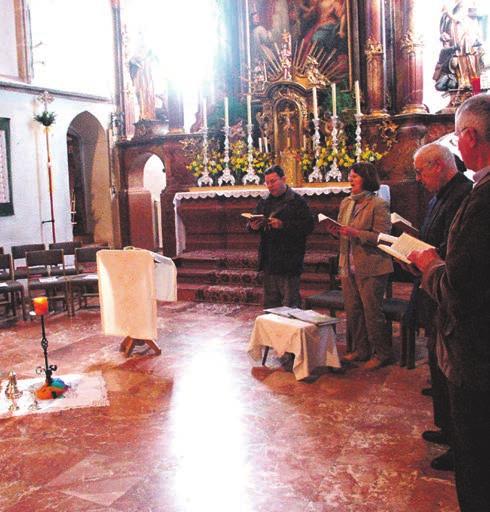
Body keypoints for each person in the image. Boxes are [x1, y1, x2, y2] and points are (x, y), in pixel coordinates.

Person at [409, 93, 490, 511]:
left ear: (471, 136)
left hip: (477, 352)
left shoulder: (480, 198)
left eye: (459, 137)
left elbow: (459, 285)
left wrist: (429, 263)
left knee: (477, 468)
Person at [411, 143, 472, 472]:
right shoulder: (439, 195)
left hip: (448, 288)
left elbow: (455, 244)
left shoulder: (464, 193)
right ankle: (447, 428)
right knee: (437, 363)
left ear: (438, 166)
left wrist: (428, 259)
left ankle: (458, 444)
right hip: (434, 285)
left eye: (421, 171)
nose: (418, 178)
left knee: (450, 369)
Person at [328, 162, 393, 370]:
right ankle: (361, 349)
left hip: (371, 265)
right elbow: (342, 228)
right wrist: (334, 230)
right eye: (350, 176)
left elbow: (383, 237)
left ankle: (381, 353)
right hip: (348, 263)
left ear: (366, 178)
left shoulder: (378, 204)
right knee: (353, 310)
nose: (350, 179)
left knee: (372, 311)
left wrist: (356, 233)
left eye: (354, 176)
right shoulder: (346, 202)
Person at [249, 165, 314, 308]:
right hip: (269, 259)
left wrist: (283, 225)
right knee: (271, 305)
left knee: (289, 305)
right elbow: (252, 222)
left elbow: (308, 226)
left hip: (289, 259)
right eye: (267, 183)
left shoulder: (297, 202)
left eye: (273, 181)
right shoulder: (264, 201)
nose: (270, 186)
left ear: (283, 179)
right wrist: (253, 226)